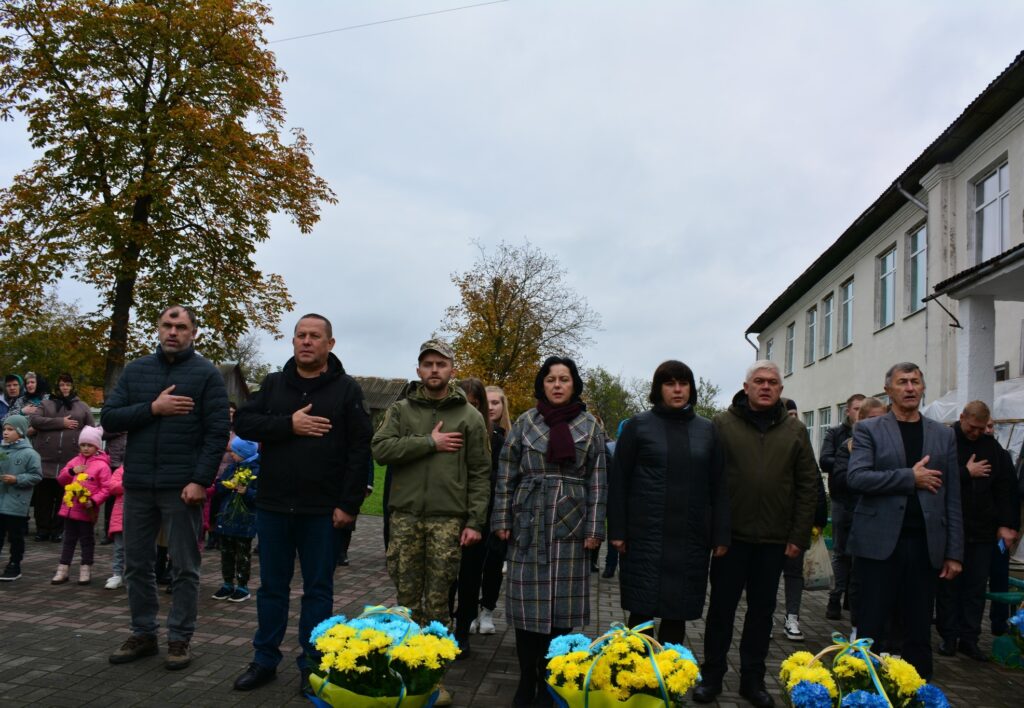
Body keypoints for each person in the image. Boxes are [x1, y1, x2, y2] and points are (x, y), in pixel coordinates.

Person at [232, 314, 371, 696]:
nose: (306, 342)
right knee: (272, 589)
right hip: (275, 506)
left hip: (322, 511)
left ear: (330, 344)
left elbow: (360, 451)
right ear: (293, 342)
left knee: (318, 591)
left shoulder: (346, 390)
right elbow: (244, 421)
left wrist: (349, 504)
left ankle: (312, 666)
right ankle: (264, 661)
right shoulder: (275, 384)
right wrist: (287, 426)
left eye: (314, 336)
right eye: (300, 336)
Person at [102, 305, 230, 671]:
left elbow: (216, 433)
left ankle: (179, 639)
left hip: (181, 487)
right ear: (158, 329)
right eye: (167, 325)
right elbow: (110, 418)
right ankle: (143, 633)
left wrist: (200, 480)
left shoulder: (207, 375)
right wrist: (153, 408)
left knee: (185, 567)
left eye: (181, 326)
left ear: (193, 333)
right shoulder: (137, 370)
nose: (173, 331)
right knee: (137, 564)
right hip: (138, 484)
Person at [372, 339, 490, 707]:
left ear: (452, 369)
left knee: (439, 602)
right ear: (419, 370)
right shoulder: (400, 410)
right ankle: (404, 672)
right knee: (406, 600)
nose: (434, 370)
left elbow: (481, 473)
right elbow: (380, 450)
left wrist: (474, 521)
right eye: (428, 364)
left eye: (441, 363)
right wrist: (428, 442)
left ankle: (433, 681)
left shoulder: (469, 416)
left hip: (447, 519)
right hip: (405, 517)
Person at [694, 360, 818, 708]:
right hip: (730, 540)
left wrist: (798, 536)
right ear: (745, 387)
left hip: (775, 540)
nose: (766, 387)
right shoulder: (722, 425)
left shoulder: (796, 431)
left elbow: (808, 486)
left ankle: (753, 680)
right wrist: (714, 533)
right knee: (720, 611)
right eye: (759, 381)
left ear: (781, 389)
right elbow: (708, 482)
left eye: (773, 382)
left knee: (762, 613)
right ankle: (712, 677)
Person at [493, 356, 607, 708]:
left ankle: (551, 680)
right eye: (550, 379)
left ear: (575, 385)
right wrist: (502, 520)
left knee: (561, 612)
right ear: (541, 384)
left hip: (571, 531)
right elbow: (505, 474)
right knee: (528, 612)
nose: (557, 385)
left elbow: (599, 482)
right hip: (528, 526)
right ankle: (527, 680)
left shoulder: (590, 427)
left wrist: (594, 530)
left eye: (564, 379)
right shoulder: (526, 423)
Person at [846, 362, 964, 680]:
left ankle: (915, 692)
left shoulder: (943, 435)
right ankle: (863, 692)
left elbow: (952, 496)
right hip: (878, 546)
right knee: (871, 628)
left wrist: (954, 551)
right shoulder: (869, 429)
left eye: (915, 382)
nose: (910, 388)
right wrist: (908, 478)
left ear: (923, 388)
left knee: (918, 632)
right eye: (903, 382)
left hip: (925, 547)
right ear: (888, 390)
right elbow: (856, 477)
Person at [608, 360, 729, 647]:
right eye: (670, 383)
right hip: (645, 537)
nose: (677, 389)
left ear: (691, 388)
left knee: (678, 614)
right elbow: (620, 482)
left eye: (683, 383)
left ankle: (667, 679)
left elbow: (719, 485)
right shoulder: (638, 427)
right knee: (641, 615)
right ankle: (636, 680)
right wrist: (618, 530)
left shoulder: (708, 431)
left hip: (689, 539)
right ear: (658, 388)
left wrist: (721, 534)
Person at [935, 401, 1017, 661]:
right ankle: (948, 637)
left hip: (983, 531)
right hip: (950, 528)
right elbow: (935, 477)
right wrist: (965, 472)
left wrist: (1007, 525)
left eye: (981, 428)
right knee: (949, 586)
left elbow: (1006, 489)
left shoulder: (992, 449)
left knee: (975, 587)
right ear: (962, 418)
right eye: (972, 427)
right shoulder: (945, 441)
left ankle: (969, 639)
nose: (976, 433)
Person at [452, 377, 505, 651]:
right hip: (450, 510)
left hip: (480, 512)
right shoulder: (450, 430)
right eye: (465, 403)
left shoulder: (495, 436)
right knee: (449, 575)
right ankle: (450, 624)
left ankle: (465, 625)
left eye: (475, 404)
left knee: (474, 573)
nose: (470, 409)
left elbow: (493, 476)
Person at [826, 396, 887, 629]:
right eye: (872, 419)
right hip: (851, 512)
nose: (878, 425)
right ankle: (850, 615)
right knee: (848, 560)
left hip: (882, 521)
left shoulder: (891, 447)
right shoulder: (846, 446)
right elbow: (843, 479)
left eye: (883, 420)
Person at [777, 398, 828, 643]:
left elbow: (814, 482)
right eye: (790, 414)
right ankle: (763, 617)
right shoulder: (772, 443)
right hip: (771, 522)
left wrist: (817, 518)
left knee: (794, 573)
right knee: (764, 574)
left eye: (796, 414)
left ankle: (792, 617)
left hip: (796, 523)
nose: (794, 418)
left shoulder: (802, 443)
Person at [29, 373, 95, 542]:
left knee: (63, 498)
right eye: (61, 384)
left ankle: (58, 530)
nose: (64, 387)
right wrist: (60, 423)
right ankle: (42, 529)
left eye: (67, 384)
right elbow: (35, 420)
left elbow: (91, 430)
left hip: (69, 462)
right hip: (45, 460)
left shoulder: (82, 406)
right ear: (57, 387)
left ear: (72, 386)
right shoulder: (46, 403)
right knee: (43, 498)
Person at [467, 384, 511, 634]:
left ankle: (487, 611)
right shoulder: (474, 430)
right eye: (488, 402)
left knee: (494, 564)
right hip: (474, 508)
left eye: (497, 402)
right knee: (471, 565)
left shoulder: (508, 437)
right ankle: (468, 611)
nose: (492, 407)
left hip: (498, 509)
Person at [822, 393, 866, 620]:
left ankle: (853, 598)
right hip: (841, 500)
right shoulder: (836, 434)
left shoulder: (872, 434)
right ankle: (834, 597)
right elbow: (825, 460)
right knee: (840, 553)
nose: (860, 413)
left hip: (864, 502)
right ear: (848, 411)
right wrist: (848, 457)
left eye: (863, 408)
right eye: (856, 408)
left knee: (860, 553)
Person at [52, 425, 112, 585]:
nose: (86, 448)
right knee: (68, 539)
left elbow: (106, 488)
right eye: (83, 445)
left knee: (86, 539)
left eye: (89, 445)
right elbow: (61, 480)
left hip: (86, 510)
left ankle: (86, 568)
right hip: (69, 509)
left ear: (97, 446)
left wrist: (93, 500)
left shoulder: (102, 465)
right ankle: (63, 569)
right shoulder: (74, 461)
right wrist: (72, 472)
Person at [211, 436, 260, 603]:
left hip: (244, 520)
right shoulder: (232, 468)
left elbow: (260, 497)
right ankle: (227, 583)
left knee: (242, 554)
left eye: (235, 452)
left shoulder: (256, 470)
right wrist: (225, 485)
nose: (231, 454)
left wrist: (247, 492)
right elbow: (218, 487)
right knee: (226, 553)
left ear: (244, 453)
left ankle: (242, 585)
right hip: (227, 518)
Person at [987, 416, 1021, 637]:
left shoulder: (1002, 456)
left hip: (999, 530)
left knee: (999, 577)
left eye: (991, 426)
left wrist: (1011, 526)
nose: (989, 430)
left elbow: (1013, 495)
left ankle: (999, 624)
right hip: (975, 529)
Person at [0, 415, 42, 581]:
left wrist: (17, 479)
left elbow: (36, 476)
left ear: (20, 432)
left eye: (10, 430)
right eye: (4, 429)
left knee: (16, 536)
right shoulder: (1, 450)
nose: (5, 433)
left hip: (17, 503)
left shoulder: (30, 454)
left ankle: (14, 564)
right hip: (0, 500)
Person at [105, 466, 126, 589]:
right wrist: (128, 481)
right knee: (119, 549)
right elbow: (112, 487)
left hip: (140, 516)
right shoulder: (120, 470)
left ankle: (134, 576)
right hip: (120, 517)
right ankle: (117, 575)